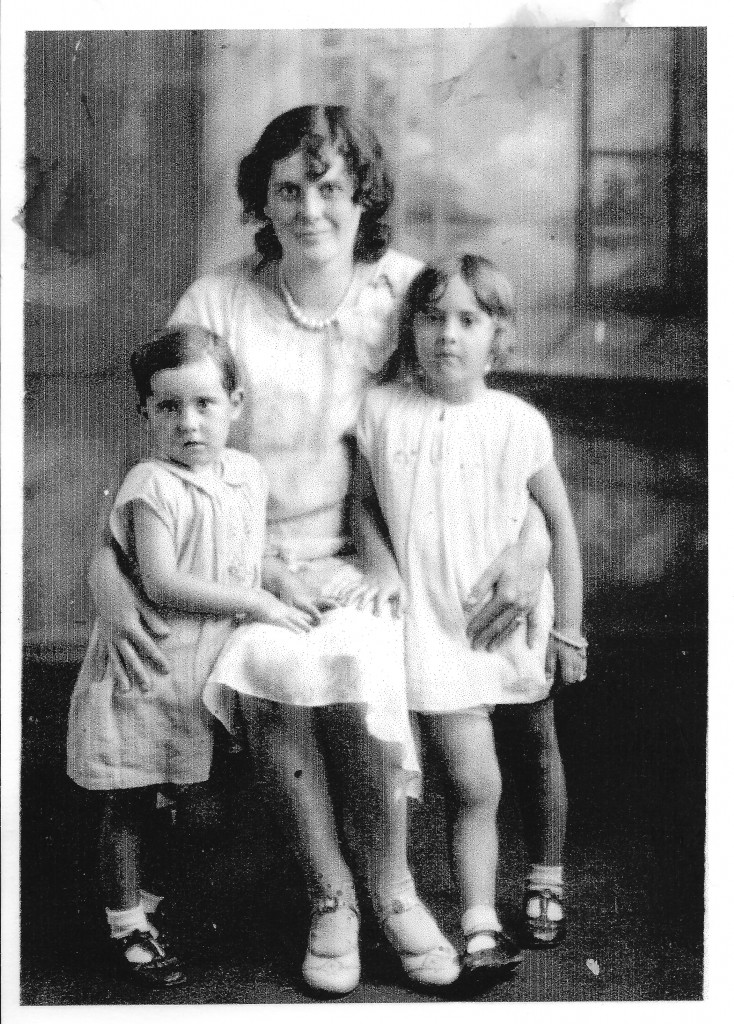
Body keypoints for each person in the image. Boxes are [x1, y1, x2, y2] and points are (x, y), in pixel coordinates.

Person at [86, 105, 551, 995]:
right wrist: (106, 569)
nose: (309, 210)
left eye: (330, 188)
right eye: (288, 190)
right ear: (263, 197)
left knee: (365, 665)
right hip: (237, 568)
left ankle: (393, 890)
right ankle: (330, 895)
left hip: (372, 559)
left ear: (362, 195)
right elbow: (149, 455)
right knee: (273, 683)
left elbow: (489, 432)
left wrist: (530, 541)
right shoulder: (219, 300)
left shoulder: (404, 293)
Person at [355, 254, 586, 982]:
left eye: (468, 320)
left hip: (514, 620)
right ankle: (478, 920)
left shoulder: (516, 423)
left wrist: (569, 627)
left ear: (498, 336)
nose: (447, 336)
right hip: (435, 626)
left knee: (538, 745)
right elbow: (362, 501)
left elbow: (559, 525)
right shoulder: (382, 410)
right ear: (411, 327)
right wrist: (383, 565)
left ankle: (546, 872)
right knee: (473, 781)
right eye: (432, 318)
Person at [67, 326, 320, 988]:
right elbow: (162, 583)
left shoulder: (245, 475)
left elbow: (242, 550)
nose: (189, 423)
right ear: (145, 413)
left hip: (204, 670)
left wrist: (276, 579)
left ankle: (150, 901)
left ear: (235, 402)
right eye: (168, 407)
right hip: (147, 669)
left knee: (190, 790)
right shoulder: (152, 484)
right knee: (130, 797)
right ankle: (126, 923)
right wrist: (255, 602)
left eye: (205, 404)